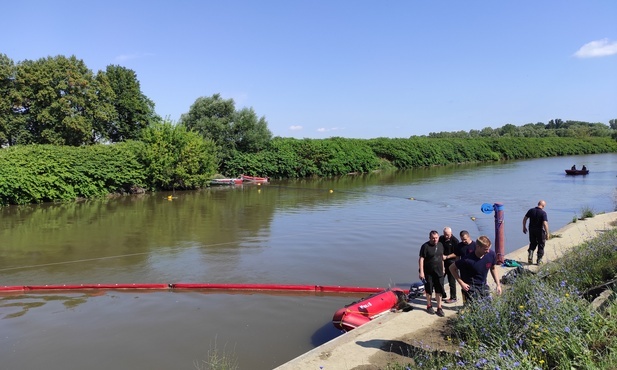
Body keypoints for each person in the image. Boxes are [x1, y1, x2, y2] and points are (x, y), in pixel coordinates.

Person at [449, 235, 502, 303]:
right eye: (485, 249)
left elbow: (493, 268)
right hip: (470, 288)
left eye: (488, 248)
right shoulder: (467, 259)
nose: (488, 251)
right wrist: (461, 283)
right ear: (478, 247)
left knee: (487, 308)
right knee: (471, 310)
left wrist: (498, 285)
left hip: (483, 286)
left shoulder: (491, 255)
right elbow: (451, 268)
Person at [418, 230, 446, 317]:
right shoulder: (425, 246)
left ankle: (439, 307)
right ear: (429, 238)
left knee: (439, 289)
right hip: (428, 272)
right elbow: (421, 259)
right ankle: (429, 305)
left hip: (439, 271)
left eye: (436, 238)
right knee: (429, 290)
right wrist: (421, 272)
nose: (435, 240)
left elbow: (441, 257)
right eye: (433, 238)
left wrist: (443, 268)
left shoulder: (441, 245)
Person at [522, 200, 550, 265]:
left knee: (533, 243)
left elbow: (525, 218)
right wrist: (547, 233)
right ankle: (539, 260)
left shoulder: (531, 210)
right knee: (541, 244)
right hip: (540, 230)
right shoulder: (543, 213)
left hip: (531, 230)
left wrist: (524, 227)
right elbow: (545, 224)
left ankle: (530, 254)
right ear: (543, 206)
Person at [439, 227, 460, 303]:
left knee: (451, 281)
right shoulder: (441, 238)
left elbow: (457, 254)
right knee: (439, 280)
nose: (446, 236)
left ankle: (453, 297)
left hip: (451, 263)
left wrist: (447, 256)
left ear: (451, 233)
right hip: (442, 263)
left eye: (447, 235)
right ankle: (442, 295)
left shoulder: (455, 241)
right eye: (445, 234)